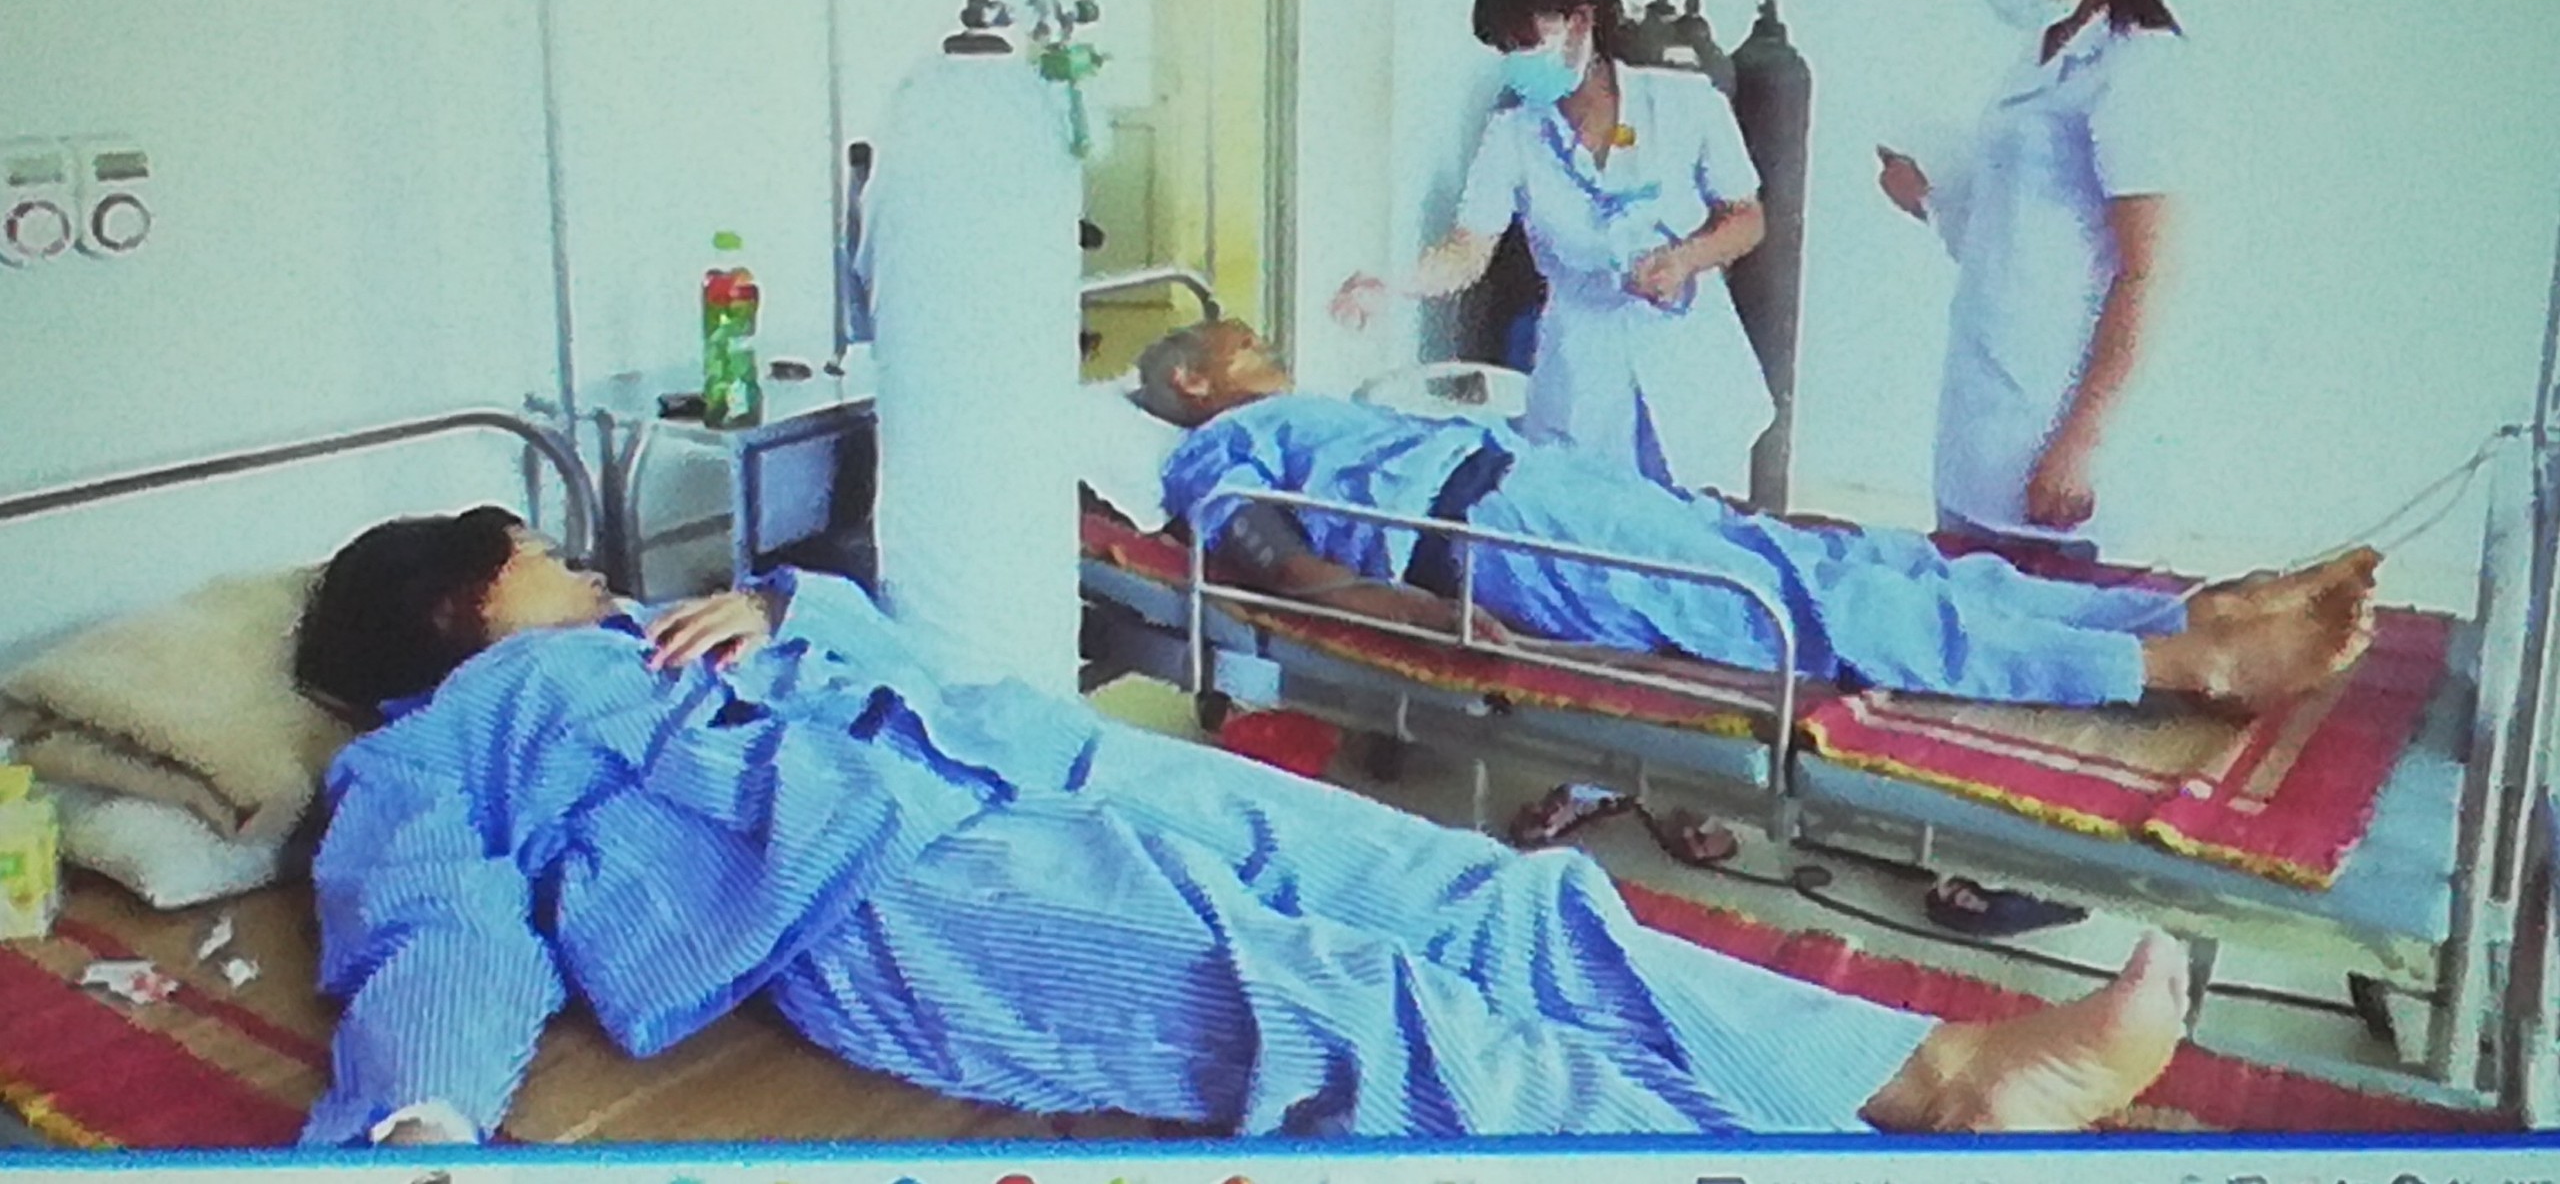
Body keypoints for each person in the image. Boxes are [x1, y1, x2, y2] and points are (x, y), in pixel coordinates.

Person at [291, 507, 2200, 1147]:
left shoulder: (689, 617)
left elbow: (900, 651)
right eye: (531, 553)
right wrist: (419, 1115)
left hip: (1032, 757)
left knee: (1479, 887)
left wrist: (795, 609)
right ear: (454, 608)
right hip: (883, 883)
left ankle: (1931, 1071)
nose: (574, 558)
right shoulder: (438, 747)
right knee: (1354, 1001)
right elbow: (429, 931)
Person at [1135, 320, 2377, 714]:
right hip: (1506, 546)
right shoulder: (1218, 450)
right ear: (1191, 380)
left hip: (1556, 487)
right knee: (1819, 610)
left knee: (1866, 553)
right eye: (1238, 340)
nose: (1265, 342)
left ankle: (2181, 612)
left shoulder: (1320, 408)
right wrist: (1424, 617)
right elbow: (1277, 566)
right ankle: (2174, 667)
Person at [1335, 0, 1773, 497]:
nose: (1518, 62)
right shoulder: (1512, 135)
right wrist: (1395, 284)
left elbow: (1746, 218)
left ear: (1581, 22)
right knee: (1586, 525)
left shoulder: (1687, 104)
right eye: (1506, 49)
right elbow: (1468, 250)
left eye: (1526, 42)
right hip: (1583, 378)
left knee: (1702, 533)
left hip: (1692, 375)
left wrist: (1685, 260)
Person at [1875, 0, 2184, 558]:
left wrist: (2081, 442)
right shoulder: (2038, 56)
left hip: (2061, 437)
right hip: (1987, 418)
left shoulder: (2137, 69)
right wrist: (1929, 196)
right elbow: (2021, 237)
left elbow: (2148, 272)